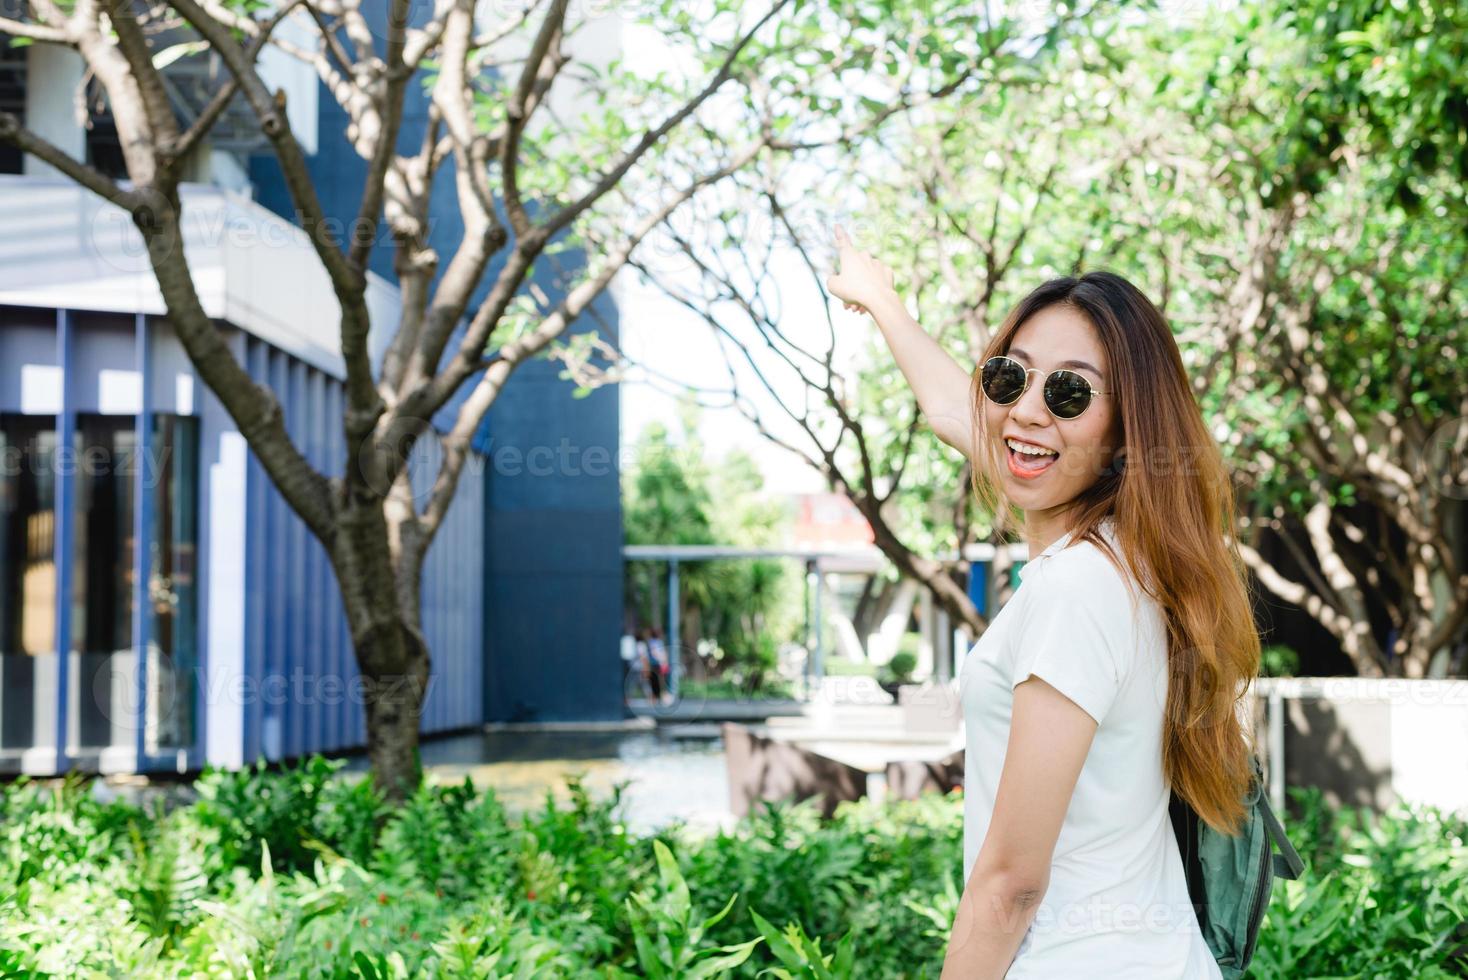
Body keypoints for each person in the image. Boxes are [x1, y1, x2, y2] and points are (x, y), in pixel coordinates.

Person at [828, 225, 1255, 979]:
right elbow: (956, 413)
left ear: (1126, 429)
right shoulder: (1132, 558)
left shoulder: (1073, 590)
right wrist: (884, 305)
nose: (1026, 411)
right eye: (1007, 379)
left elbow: (1012, 884)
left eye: (1068, 392)